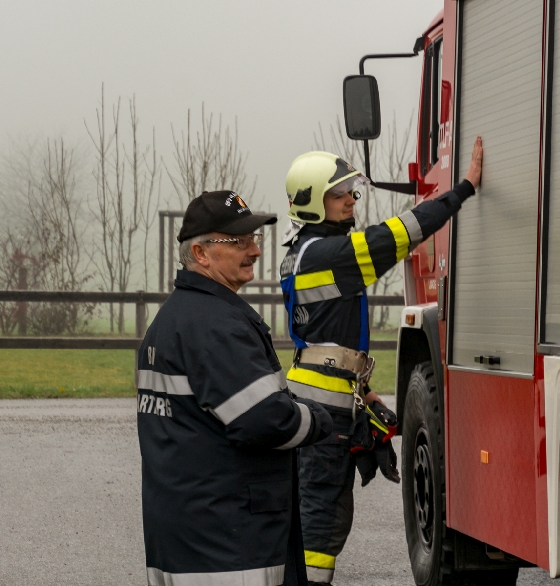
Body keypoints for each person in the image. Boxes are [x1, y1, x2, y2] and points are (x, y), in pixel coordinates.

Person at [280, 137, 484, 585]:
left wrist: (364, 393)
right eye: (339, 193)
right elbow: (403, 232)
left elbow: (326, 331)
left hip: (318, 394)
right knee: (321, 523)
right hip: (324, 412)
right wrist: (464, 188)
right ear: (312, 203)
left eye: (351, 191)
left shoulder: (301, 253)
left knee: (313, 515)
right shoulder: (332, 255)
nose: (351, 199)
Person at [137, 190, 336, 586]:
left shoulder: (171, 319)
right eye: (239, 241)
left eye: (253, 239)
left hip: (184, 536)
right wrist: (321, 420)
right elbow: (265, 420)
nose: (255, 251)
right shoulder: (216, 326)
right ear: (200, 253)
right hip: (227, 548)